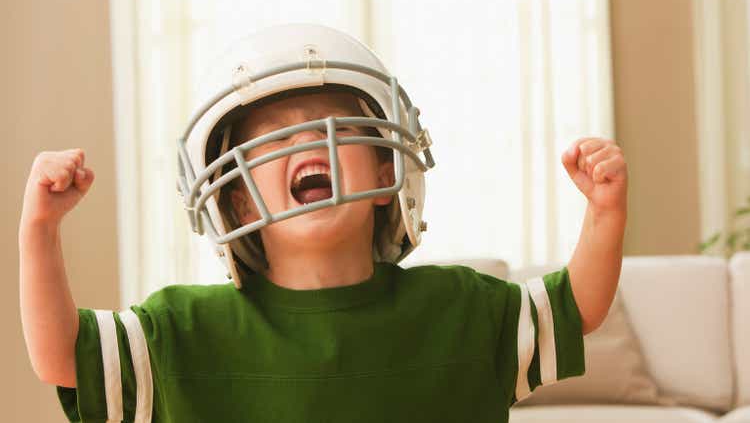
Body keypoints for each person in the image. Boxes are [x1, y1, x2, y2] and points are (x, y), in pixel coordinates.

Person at [19, 24, 628, 422]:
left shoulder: (459, 307)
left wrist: (603, 212)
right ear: (239, 204)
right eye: (272, 143)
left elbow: (577, 306)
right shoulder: (185, 329)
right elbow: (62, 358)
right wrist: (40, 230)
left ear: (389, 177)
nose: (308, 143)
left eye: (332, 130)